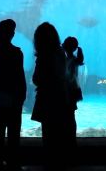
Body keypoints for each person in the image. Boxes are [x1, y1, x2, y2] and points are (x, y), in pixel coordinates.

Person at [0, 19, 26, 171]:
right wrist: (23, 95)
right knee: (14, 131)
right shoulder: (16, 53)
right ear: (12, 34)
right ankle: (13, 162)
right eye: (12, 30)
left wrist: (3, 28)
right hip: (14, 96)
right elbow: (20, 77)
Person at [31, 22, 70, 166]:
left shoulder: (44, 55)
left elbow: (37, 79)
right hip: (61, 97)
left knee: (48, 134)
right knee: (59, 132)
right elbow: (62, 75)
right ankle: (59, 162)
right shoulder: (60, 52)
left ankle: (50, 163)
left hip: (47, 99)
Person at [62, 36, 84, 145]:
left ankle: (68, 139)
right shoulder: (75, 59)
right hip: (73, 90)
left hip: (67, 90)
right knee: (70, 115)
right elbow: (81, 60)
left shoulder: (63, 58)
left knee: (67, 115)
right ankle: (71, 139)